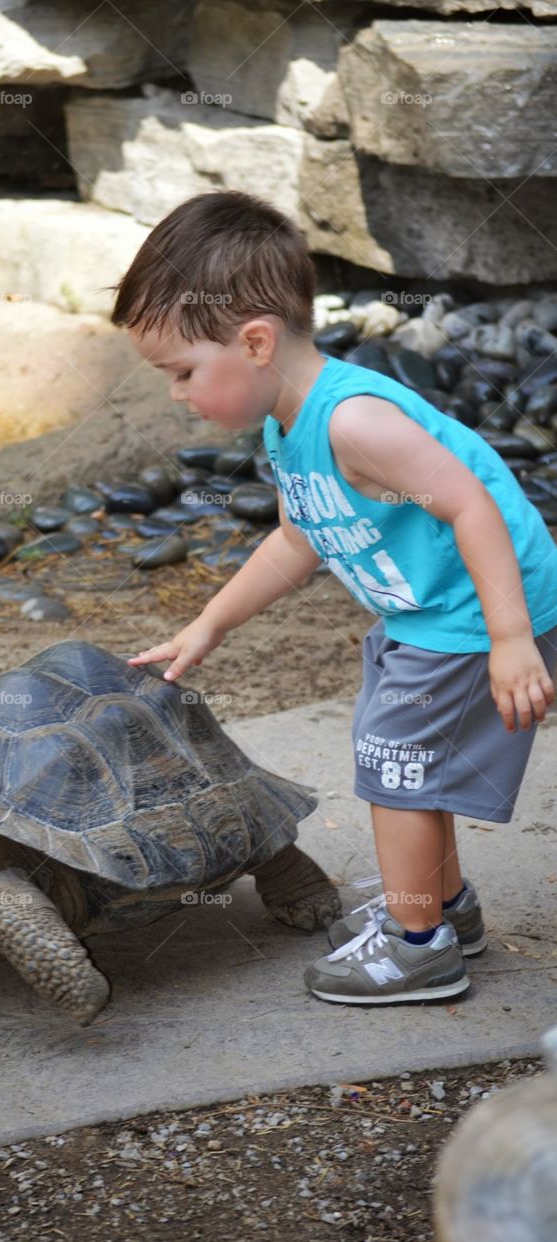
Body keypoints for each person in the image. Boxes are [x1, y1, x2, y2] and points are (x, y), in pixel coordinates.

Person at [110, 189, 557, 1005]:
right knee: (408, 767)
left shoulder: (353, 421)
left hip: (474, 615)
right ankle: (443, 910)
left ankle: (418, 947)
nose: (176, 393)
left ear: (254, 341)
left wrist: (511, 638)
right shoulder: (287, 426)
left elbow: (472, 505)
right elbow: (296, 540)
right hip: (427, 615)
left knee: (393, 769)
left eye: (181, 372)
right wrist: (209, 624)